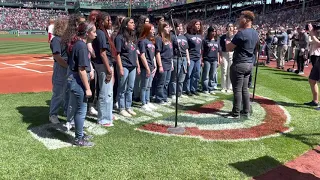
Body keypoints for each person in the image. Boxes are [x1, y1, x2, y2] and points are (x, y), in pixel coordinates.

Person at [67, 21, 97, 147]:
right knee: (81, 110)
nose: (96, 34)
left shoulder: (78, 43)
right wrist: (88, 88)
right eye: (94, 32)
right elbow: (82, 69)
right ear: (87, 33)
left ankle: (80, 133)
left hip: (73, 79)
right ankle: (79, 138)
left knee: (78, 109)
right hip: (77, 81)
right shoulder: (82, 46)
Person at [225, 10, 259, 119]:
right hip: (249, 64)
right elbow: (257, 48)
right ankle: (246, 111)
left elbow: (229, 48)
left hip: (239, 64)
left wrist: (228, 39)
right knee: (245, 89)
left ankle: (236, 113)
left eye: (241, 17)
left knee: (237, 90)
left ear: (247, 19)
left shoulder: (241, 33)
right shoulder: (255, 33)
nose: (239, 19)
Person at [92, 12, 117, 126]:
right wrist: (109, 69)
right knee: (105, 92)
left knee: (108, 92)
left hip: (104, 64)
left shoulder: (103, 32)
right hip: (103, 65)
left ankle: (107, 114)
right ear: (102, 21)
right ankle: (103, 118)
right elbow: (102, 53)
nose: (110, 22)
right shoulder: (101, 33)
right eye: (108, 20)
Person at [115, 17, 140, 117]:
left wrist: (137, 65)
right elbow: (117, 54)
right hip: (124, 65)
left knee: (130, 87)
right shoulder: (119, 38)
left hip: (133, 65)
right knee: (122, 88)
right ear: (125, 24)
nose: (134, 24)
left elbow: (135, 53)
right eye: (131, 22)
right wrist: (120, 67)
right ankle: (121, 108)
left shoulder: (133, 37)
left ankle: (128, 106)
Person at [48, 18, 68, 124]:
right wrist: (66, 65)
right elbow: (57, 56)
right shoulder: (56, 40)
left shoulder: (65, 39)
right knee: (58, 92)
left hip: (65, 65)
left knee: (67, 91)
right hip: (61, 67)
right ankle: (53, 114)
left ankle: (66, 110)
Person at [138, 23, 157, 111]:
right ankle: (143, 102)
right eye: (152, 29)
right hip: (145, 67)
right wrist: (147, 67)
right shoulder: (142, 41)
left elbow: (153, 56)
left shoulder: (151, 41)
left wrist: (155, 66)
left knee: (149, 86)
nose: (153, 31)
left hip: (151, 66)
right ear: (147, 30)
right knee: (144, 85)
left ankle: (147, 101)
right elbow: (142, 55)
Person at [169, 19, 190, 98]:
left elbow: (186, 49)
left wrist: (188, 59)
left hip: (184, 58)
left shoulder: (184, 37)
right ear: (175, 27)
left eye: (181, 26)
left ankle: (179, 93)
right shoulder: (172, 36)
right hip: (176, 58)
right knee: (174, 77)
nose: (180, 28)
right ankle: (172, 93)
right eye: (179, 26)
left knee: (182, 77)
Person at [154, 21, 174, 104]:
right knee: (161, 82)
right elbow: (157, 52)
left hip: (169, 62)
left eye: (169, 27)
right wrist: (160, 65)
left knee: (166, 82)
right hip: (163, 62)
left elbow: (171, 52)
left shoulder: (169, 39)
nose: (168, 29)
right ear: (162, 28)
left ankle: (164, 97)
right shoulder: (159, 38)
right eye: (166, 27)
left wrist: (172, 63)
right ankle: (159, 98)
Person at [184, 19, 203, 96]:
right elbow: (186, 49)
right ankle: (187, 89)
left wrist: (201, 58)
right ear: (192, 25)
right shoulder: (187, 36)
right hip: (191, 57)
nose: (198, 26)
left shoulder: (200, 36)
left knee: (197, 74)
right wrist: (188, 59)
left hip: (198, 58)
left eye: (199, 25)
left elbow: (200, 48)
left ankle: (193, 89)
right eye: (196, 24)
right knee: (189, 74)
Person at [304, 23, 320, 109]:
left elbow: (318, 43)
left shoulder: (316, 33)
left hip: (318, 57)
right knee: (312, 80)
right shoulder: (315, 34)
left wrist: (312, 33)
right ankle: (315, 101)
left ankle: (316, 101)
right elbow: (311, 41)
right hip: (316, 58)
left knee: (313, 79)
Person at [201, 26, 219, 94]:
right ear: (209, 32)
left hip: (214, 60)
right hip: (207, 59)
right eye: (212, 31)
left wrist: (218, 60)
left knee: (212, 75)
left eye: (215, 31)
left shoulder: (217, 40)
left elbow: (218, 51)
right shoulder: (205, 41)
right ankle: (205, 88)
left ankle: (211, 88)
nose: (214, 33)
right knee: (206, 75)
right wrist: (202, 60)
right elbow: (202, 51)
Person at [219, 23, 234, 93]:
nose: (230, 28)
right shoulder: (223, 37)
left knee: (230, 71)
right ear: (227, 28)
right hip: (224, 54)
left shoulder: (235, 37)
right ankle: (223, 86)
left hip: (232, 54)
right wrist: (220, 56)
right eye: (229, 26)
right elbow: (220, 48)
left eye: (231, 27)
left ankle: (229, 87)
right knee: (224, 70)